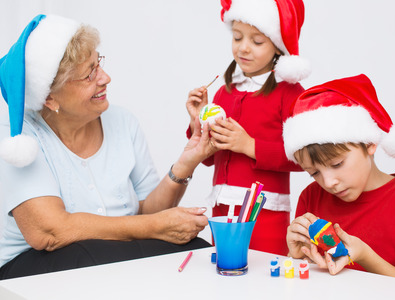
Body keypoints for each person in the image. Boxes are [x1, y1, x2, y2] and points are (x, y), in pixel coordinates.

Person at [0, 14, 214, 280]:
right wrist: (153, 226)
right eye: (89, 74)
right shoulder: (19, 139)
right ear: (50, 98)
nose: (105, 78)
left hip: (113, 251)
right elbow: (49, 233)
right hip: (35, 264)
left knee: (197, 252)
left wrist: (186, 162)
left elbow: (150, 214)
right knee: (92, 260)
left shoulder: (122, 121)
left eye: (98, 63)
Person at [283, 74, 395, 285]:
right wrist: (295, 256)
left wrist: (365, 257)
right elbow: (302, 284)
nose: (328, 182)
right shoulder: (311, 196)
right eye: (314, 173)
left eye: (336, 164)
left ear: (370, 143)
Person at [185, 0, 310, 255]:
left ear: (277, 45)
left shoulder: (290, 93)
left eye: (257, 41)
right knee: (225, 277)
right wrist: (198, 122)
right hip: (222, 212)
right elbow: (209, 160)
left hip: (265, 214)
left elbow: (305, 158)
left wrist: (249, 146)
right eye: (237, 37)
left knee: (263, 281)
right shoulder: (224, 91)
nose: (243, 48)